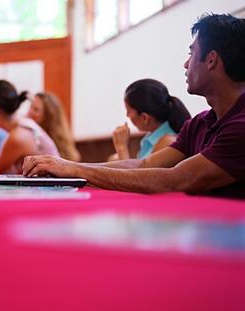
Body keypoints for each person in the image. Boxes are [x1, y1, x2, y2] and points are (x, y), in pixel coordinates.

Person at [22, 13, 245, 197]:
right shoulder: (200, 123)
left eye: (191, 53)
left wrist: (74, 169)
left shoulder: (240, 127)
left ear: (212, 59)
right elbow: (144, 165)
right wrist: (66, 168)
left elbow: (176, 180)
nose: (186, 63)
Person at [110, 79, 191, 160]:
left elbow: (139, 173)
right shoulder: (152, 139)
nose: (127, 115)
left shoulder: (167, 142)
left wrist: (121, 147)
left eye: (128, 111)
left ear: (145, 118)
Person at [27, 92, 81, 161]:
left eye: (36, 109)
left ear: (48, 116)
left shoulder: (50, 142)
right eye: (30, 107)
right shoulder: (30, 133)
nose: (29, 112)